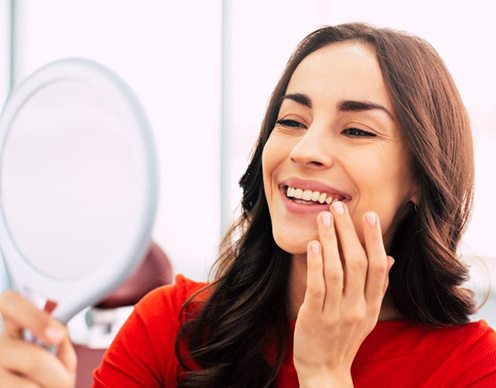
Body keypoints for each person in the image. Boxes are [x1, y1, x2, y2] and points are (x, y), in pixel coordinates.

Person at [0, 22, 495, 388]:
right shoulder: (171, 325)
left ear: (420, 178)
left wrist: (324, 371)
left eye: (356, 130)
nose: (304, 150)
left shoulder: (474, 368)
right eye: (292, 121)